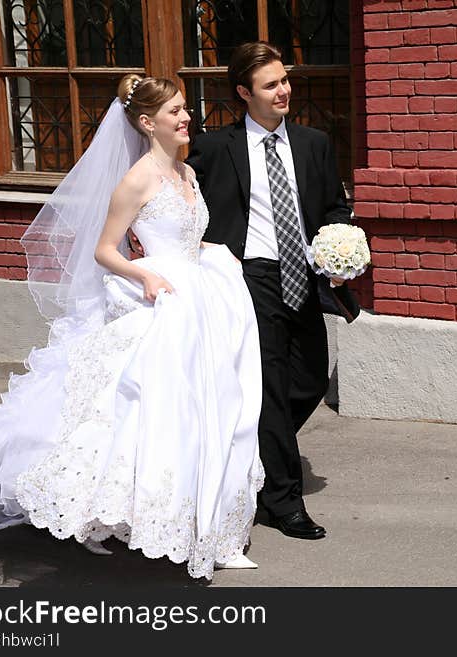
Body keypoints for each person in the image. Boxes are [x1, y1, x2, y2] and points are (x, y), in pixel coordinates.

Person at [0, 75, 264, 579]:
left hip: (200, 301)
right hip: (163, 304)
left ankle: (211, 527)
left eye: (185, 109)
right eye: (175, 112)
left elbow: (184, 235)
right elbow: (105, 250)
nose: (187, 118)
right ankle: (150, 522)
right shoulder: (137, 179)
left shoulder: (187, 172)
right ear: (146, 123)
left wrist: (207, 254)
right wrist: (146, 275)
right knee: (154, 419)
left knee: (215, 414)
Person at [187, 41, 354, 540]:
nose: (283, 91)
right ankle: (283, 501)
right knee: (271, 390)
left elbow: (333, 209)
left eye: (285, 80)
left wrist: (340, 252)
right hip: (250, 279)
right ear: (244, 92)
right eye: (270, 84)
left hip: (303, 276)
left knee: (309, 380)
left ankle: (259, 460)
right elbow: (176, 191)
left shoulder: (313, 143)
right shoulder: (217, 148)